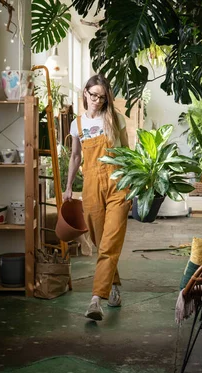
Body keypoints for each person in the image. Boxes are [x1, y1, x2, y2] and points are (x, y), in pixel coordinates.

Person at [63, 74, 130, 321]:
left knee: (110, 242)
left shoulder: (115, 119)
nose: (97, 101)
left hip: (118, 186)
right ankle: (113, 284)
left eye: (102, 97)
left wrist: (133, 184)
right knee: (101, 241)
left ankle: (95, 300)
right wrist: (69, 186)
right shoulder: (77, 124)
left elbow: (126, 153)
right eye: (94, 96)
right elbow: (75, 157)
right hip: (91, 187)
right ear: (85, 93)